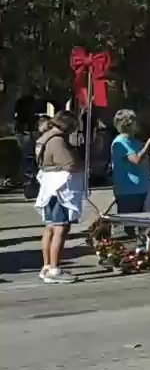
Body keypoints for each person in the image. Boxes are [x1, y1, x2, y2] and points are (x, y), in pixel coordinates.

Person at [34, 111, 85, 283]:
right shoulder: (57, 140)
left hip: (48, 187)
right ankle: (54, 269)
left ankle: (47, 266)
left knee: (50, 227)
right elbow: (69, 164)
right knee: (60, 228)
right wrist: (80, 162)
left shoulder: (45, 137)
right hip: (60, 188)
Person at [110, 109, 150, 215]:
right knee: (129, 221)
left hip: (142, 188)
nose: (139, 123)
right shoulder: (120, 142)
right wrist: (149, 142)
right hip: (128, 191)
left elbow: (143, 159)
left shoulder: (135, 141)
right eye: (136, 121)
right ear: (128, 124)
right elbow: (136, 160)